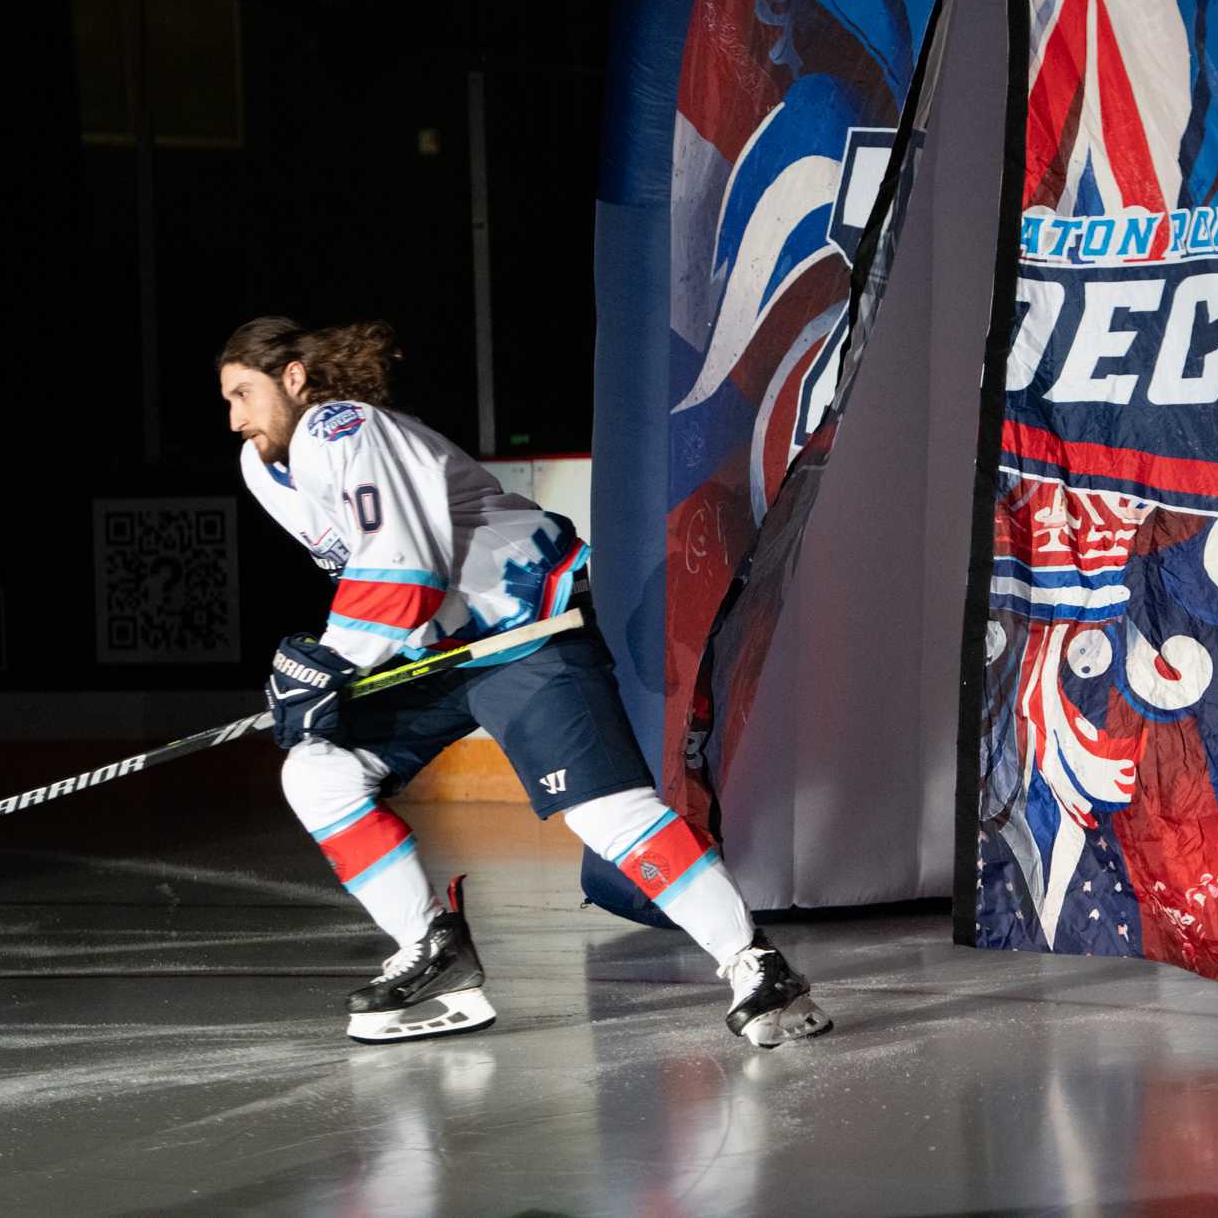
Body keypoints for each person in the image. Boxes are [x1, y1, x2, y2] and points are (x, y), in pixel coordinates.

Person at [217, 316, 832, 1048]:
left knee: (607, 815)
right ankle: (434, 949)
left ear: (292, 379)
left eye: (243, 393)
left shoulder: (338, 427)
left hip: (524, 629)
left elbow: (403, 561)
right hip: (436, 650)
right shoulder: (263, 468)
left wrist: (334, 659)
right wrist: (328, 670)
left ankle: (756, 965)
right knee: (318, 772)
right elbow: (373, 576)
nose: (235, 418)